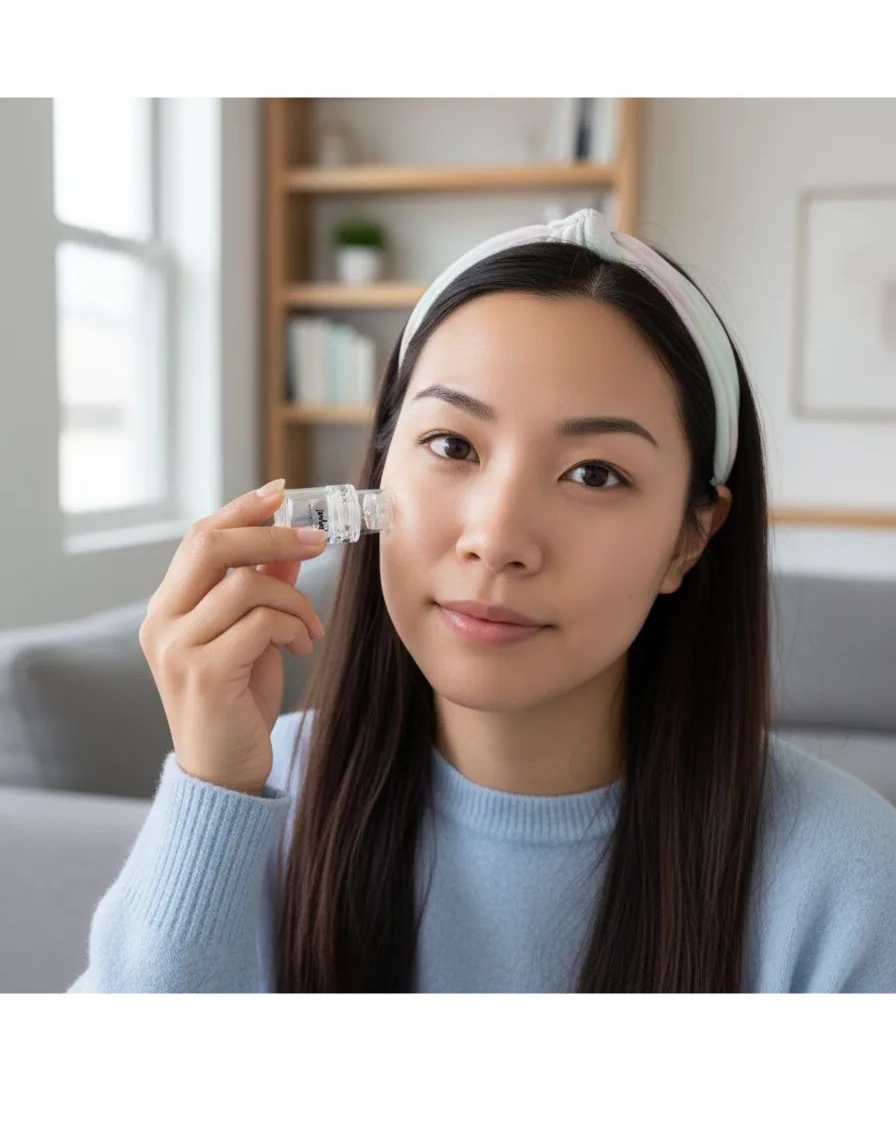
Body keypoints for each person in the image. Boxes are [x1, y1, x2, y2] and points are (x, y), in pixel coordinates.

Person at [68, 208, 896, 993]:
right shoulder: (253, 793)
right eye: (452, 445)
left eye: (595, 473)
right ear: (380, 474)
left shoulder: (842, 876)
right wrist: (211, 794)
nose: (496, 538)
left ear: (690, 537)